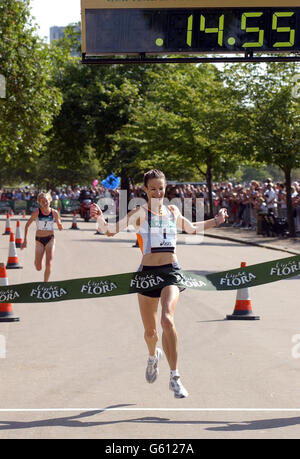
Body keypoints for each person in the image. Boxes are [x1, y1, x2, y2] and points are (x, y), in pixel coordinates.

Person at [90, 169, 227, 399]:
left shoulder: (173, 211)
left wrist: (218, 220)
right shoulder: (139, 213)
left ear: (165, 189)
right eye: (152, 188)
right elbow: (109, 231)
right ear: (145, 190)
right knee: (150, 332)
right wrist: (99, 218)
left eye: (161, 188)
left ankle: (175, 377)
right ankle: (153, 356)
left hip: (171, 272)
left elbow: (192, 229)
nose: (157, 192)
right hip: (147, 274)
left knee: (167, 319)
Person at [21, 192, 63, 281]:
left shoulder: (54, 212)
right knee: (38, 267)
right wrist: (25, 240)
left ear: (50, 201)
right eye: (42, 201)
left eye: (46, 201)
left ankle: (45, 284)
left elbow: (60, 225)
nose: (45, 203)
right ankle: (37, 261)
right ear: (39, 202)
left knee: (49, 263)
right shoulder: (36, 213)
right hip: (39, 240)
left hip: (50, 239)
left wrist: (60, 225)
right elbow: (27, 225)